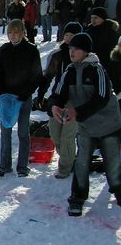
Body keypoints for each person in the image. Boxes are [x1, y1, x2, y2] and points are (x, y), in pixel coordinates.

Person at [48, 32, 121, 216]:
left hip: (108, 125)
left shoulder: (97, 69)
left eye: (76, 49)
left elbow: (102, 97)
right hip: (86, 126)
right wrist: (54, 106)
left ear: (86, 51)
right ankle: (77, 198)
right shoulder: (69, 71)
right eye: (71, 48)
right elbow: (57, 93)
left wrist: (78, 111)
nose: (72, 52)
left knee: (112, 162)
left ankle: (119, 190)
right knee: (81, 162)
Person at [0, 19, 43, 177]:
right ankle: (4, 165)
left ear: (23, 33)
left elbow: (37, 76)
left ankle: (22, 166)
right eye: (10, 33)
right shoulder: (4, 50)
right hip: (7, 98)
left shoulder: (31, 50)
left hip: (23, 97)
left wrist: (26, 92)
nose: (13, 36)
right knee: (5, 131)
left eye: (16, 32)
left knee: (23, 132)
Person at [36, 22, 82, 179]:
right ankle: (69, 158)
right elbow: (47, 76)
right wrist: (41, 95)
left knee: (67, 136)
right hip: (57, 98)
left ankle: (65, 166)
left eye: (73, 36)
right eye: (67, 35)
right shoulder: (57, 55)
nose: (69, 39)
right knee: (55, 135)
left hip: (75, 100)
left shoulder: (83, 58)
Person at [85, 6, 121, 94]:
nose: (93, 20)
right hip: (91, 65)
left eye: (96, 18)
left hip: (109, 65)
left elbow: (114, 50)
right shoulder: (88, 31)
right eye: (91, 18)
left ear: (103, 18)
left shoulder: (111, 32)